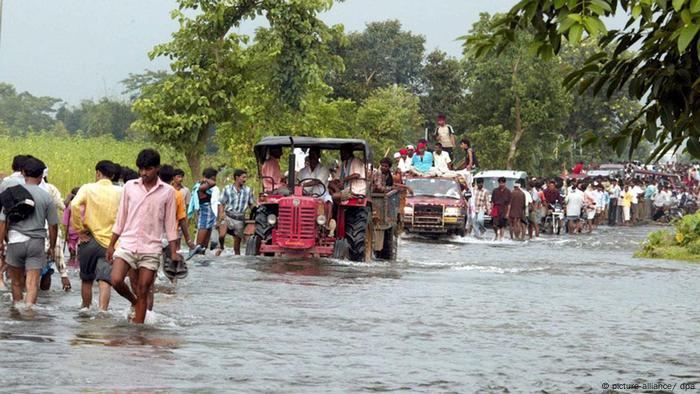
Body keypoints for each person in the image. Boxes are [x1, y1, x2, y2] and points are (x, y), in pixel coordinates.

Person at [107, 149, 180, 324]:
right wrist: (111, 245)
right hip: (128, 244)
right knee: (116, 280)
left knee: (144, 288)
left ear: (157, 168)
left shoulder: (168, 192)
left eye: (147, 169)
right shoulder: (130, 187)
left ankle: (138, 334)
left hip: (151, 247)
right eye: (141, 169)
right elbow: (121, 217)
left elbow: (170, 224)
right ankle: (134, 302)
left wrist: (174, 251)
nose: (143, 173)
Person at [0, 157, 58, 307]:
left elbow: (2, 221)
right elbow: (53, 225)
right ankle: (29, 312)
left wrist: (0, 242)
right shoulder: (46, 197)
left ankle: (18, 311)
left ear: (23, 173)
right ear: (41, 176)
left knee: (16, 283)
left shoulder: (12, 194)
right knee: (32, 284)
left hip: (14, 241)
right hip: (36, 243)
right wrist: (51, 246)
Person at [71, 160, 123, 311]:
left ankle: (86, 308)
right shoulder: (120, 191)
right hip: (111, 243)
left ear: (98, 173)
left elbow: (74, 205)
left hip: (90, 239)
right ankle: (102, 311)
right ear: (113, 175)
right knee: (105, 280)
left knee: (87, 280)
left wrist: (79, 230)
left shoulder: (88, 188)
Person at [217, 169, 256, 256]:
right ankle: (221, 247)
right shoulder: (227, 189)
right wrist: (221, 213)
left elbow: (251, 204)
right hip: (228, 216)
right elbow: (221, 203)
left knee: (237, 248)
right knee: (221, 235)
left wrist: (256, 210)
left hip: (239, 219)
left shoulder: (248, 190)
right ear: (237, 177)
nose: (245, 179)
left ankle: (237, 262)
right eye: (243, 177)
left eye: (246, 177)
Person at [189, 168, 219, 254]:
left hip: (209, 215)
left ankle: (203, 263)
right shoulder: (201, 187)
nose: (215, 180)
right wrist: (206, 179)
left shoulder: (205, 187)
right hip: (204, 215)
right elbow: (213, 183)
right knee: (199, 246)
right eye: (213, 178)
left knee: (204, 247)